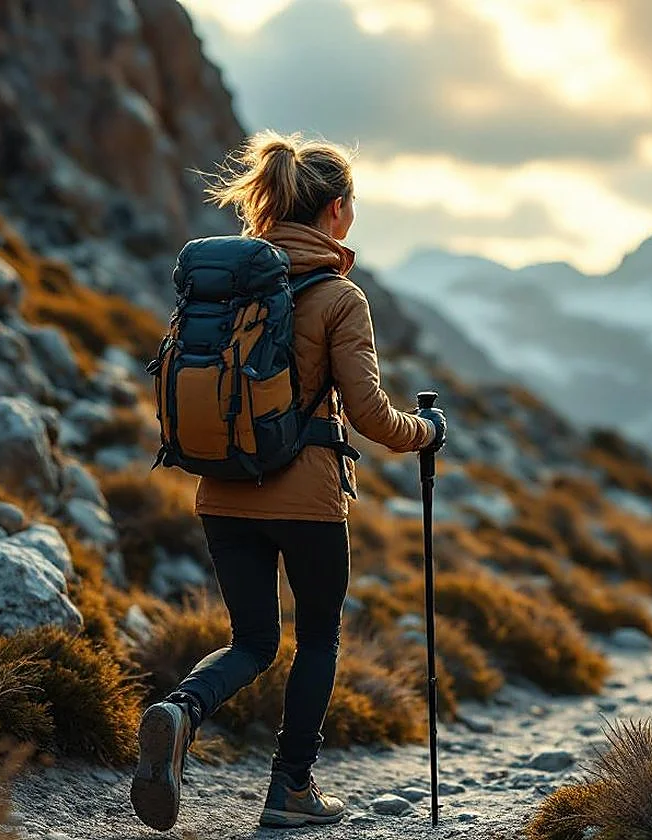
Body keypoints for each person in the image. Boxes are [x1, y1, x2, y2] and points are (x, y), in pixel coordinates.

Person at [129, 131, 447, 832]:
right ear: (336, 209)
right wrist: (427, 432)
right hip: (307, 502)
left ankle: (181, 710)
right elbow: (371, 416)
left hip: (221, 492)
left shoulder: (226, 288)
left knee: (251, 641)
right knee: (318, 638)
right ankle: (291, 789)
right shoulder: (339, 297)